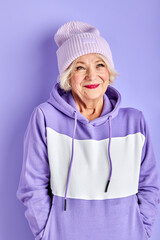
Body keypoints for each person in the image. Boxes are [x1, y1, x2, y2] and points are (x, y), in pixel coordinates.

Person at [16, 21, 160, 240]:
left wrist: (143, 229)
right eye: (80, 67)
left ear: (109, 70)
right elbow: (32, 187)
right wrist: (47, 234)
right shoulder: (45, 118)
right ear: (67, 75)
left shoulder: (135, 121)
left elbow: (150, 185)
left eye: (100, 65)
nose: (92, 76)